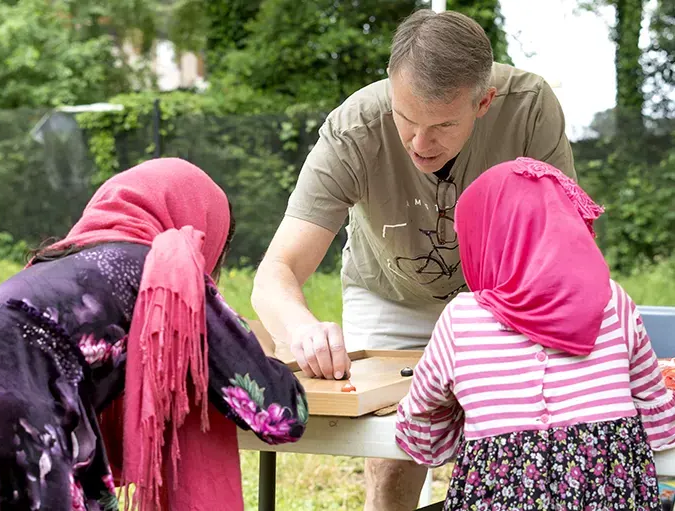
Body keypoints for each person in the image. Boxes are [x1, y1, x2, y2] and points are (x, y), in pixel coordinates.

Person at [251, 8, 576, 510]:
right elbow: (276, 274)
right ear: (390, 85)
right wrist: (302, 330)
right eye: (406, 120)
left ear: (484, 102)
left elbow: (560, 251)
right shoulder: (353, 129)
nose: (421, 144)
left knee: (518, 444)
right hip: (390, 294)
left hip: (500, 304)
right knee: (392, 456)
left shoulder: (529, 108)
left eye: (443, 125)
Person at [0, 158, 308, 511]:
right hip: (14, 425)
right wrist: (270, 356)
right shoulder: (166, 269)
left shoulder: (58, 265)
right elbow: (278, 417)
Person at [396, 157, 675, 510]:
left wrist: (472, 420)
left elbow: (421, 430)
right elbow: (660, 423)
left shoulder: (460, 319)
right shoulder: (613, 300)